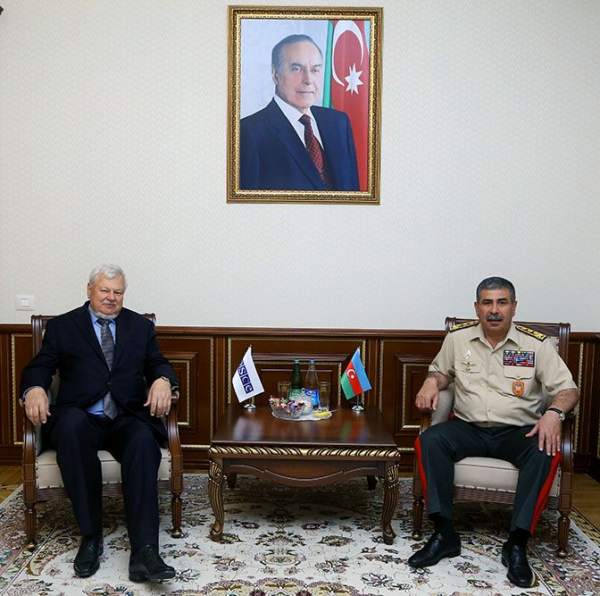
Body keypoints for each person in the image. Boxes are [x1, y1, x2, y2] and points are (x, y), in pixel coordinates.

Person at [409, 277, 579, 588]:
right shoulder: (458, 339)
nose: (494, 310)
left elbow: (568, 390)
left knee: (545, 450)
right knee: (430, 440)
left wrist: (554, 413)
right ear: (477, 308)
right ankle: (444, 533)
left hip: (518, 432)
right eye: (487, 303)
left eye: (502, 302)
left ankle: (517, 543)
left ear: (514, 307)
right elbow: (441, 372)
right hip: (468, 427)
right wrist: (431, 381)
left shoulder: (536, 345)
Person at [20, 265, 178, 582]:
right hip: (81, 415)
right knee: (71, 429)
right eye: (105, 290)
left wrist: (163, 380)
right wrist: (35, 388)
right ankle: (91, 537)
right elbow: (41, 365)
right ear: (90, 289)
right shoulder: (63, 327)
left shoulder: (139, 327)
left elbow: (158, 362)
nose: (111, 297)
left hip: (125, 415)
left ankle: (145, 551)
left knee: (143, 441)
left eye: (118, 292)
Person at [240, 34, 359, 191]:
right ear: (275, 75)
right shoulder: (248, 132)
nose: (308, 80)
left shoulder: (339, 123)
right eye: (296, 69)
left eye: (315, 69)